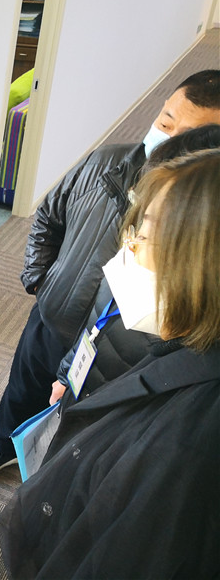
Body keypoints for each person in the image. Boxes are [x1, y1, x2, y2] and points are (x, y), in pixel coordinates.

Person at [0, 70, 220, 478]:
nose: (168, 139)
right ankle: (5, 448)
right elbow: (49, 217)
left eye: (188, 136)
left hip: (122, 348)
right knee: (23, 393)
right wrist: (40, 281)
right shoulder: (105, 162)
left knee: (82, 434)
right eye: (165, 122)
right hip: (53, 319)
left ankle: (48, 477)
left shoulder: (204, 225)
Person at [0, 148, 220, 578]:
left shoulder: (184, 444)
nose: (126, 251)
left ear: (201, 267)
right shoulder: (180, 354)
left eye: (145, 238)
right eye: (133, 231)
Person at [47, 123, 220, 408]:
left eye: (149, 235)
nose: (132, 246)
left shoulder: (183, 353)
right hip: (81, 389)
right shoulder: (131, 260)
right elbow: (94, 326)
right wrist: (67, 375)